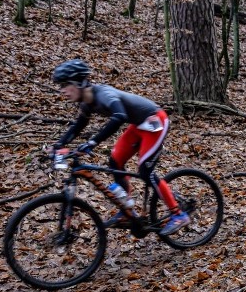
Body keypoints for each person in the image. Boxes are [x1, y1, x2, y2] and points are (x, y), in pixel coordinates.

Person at [50, 59, 190, 236]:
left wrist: (93, 142)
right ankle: (127, 211)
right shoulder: (86, 102)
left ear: (79, 82)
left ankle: (178, 214)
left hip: (155, 121)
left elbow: (119, 116)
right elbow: (80, 124)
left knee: (145, 171)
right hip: (139, 124)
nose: (62, 90)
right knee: (115, 161)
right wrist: (59, 145)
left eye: (65, 85)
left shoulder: (104, 94)